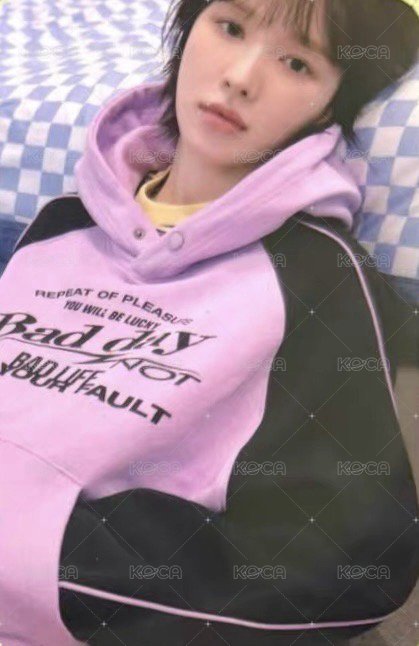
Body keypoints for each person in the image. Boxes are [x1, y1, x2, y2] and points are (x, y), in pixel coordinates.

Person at [0, 0, 418, 644]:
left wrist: (45, 556)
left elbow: (346, 561)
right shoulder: (58, 223)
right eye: (229, 27)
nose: (241, 77)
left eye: (297, 64)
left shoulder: (318, 276)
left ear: (328, 108)